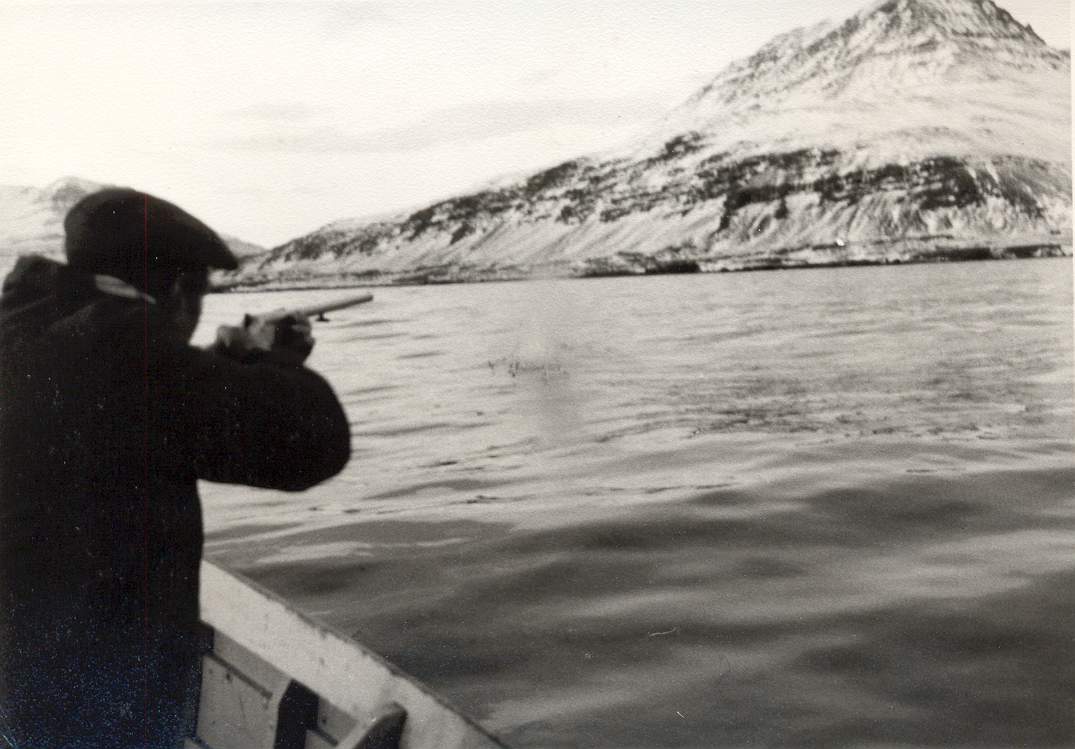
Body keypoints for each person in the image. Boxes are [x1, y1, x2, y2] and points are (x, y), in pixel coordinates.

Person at [0, 188, 351, 748]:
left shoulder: (25, 335)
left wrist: (222, 363)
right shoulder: (122, 359)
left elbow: (128, 419)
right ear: (179, 288)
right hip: (94, 687)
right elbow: (312, 445)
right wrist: (275, 360)